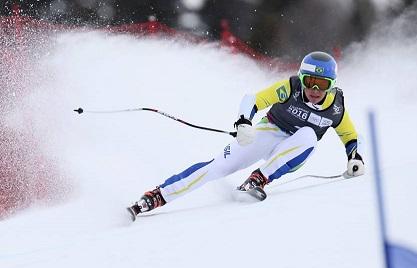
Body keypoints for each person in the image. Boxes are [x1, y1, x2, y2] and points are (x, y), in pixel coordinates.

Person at [128, 51, 365, 218]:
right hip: (269, 131)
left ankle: (257, 180)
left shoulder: (336, 107)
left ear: (331, 85)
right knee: (218, 167)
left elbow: (350, 136)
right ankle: (157, 196)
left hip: (290, 154)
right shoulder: (290, 88)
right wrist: (244, 121)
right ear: (301, 78)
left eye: (321, 84)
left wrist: (355, 158)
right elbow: (253, 99)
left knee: (308, 135)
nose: (314, 90)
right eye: (310, 81)